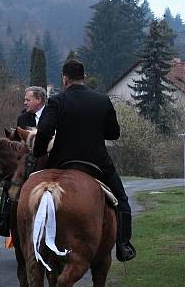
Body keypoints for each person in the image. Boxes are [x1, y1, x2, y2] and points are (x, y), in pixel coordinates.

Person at [31, 59, 136, 261]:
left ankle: (19, 235)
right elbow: (114, 134)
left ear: (64, 79)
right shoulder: (102, 101)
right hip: (97, 163)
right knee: (122, 200)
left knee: (24, 191)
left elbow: (44, 131)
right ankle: (123, 245)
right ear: (84, 78)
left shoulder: (56, 101)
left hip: (62, 162)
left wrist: (38, 154)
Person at [0, 86, 47, 236]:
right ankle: (3, 220)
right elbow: (19, 145)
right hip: (29, 161)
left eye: (28, 99)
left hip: (49, 160)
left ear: (39, 99)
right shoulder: (23, 118)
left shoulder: (52, 114)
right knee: (11, 182)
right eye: (25, 100)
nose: (25, 103)